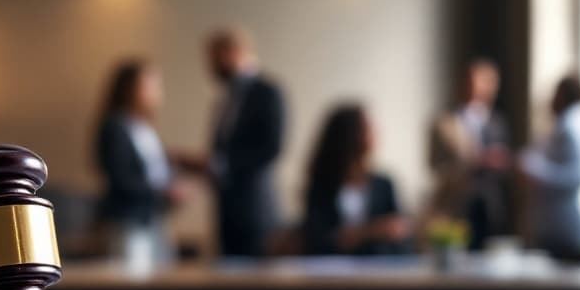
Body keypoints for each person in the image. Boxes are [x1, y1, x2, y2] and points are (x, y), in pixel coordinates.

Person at [183, 28, 286, 257]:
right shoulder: (224, 100)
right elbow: (221, 154)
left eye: (214, 57)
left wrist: (220, 163)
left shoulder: (267, 92)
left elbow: (271, 147)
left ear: (234, 52)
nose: (210, 66)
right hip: (227, 213)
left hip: (256, 212)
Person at [94, 60, 186, 257]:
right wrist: (163, 192)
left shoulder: (146, 128)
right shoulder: (114, 127)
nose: (155, 92)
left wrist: (173, 187)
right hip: (128, 221)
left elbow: (156, 171)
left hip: (153, 218)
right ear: (128, 89)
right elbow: (121, 177)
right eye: (149, 85)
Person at [302, 104, 410, 255]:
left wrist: (351, 236)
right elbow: (317, 240)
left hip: (379, 272)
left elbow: (399, 233)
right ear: (349, 134)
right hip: (331, 273)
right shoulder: (321, 187)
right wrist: (372, 231)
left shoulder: (384, 184)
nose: (376, 133)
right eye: (368, 129)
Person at [427, 59, 511, 250]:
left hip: (490, 206)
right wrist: (475, 161)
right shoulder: (444, 122)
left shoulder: (496, 122)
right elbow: (435, 165)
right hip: (456, 205)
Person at [519, 75, 580, 256]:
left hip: (562, 228)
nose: (552, 99)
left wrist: (533, 169)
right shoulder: (558, 128)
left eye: (556, 94)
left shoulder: (571, 130)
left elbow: (577, 176)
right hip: (546, 227)